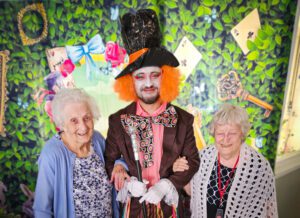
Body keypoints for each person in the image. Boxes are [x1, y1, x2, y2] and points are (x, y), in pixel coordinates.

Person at [104, 9, 200, 217]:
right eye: (140, 77)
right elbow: (109, 161)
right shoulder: (117, 121)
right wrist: (124, 178)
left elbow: (193, 161)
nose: (148, 83)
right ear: (130, 82)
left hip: (171, 209)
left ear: (165, 78)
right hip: (134, 210)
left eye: (154, 75)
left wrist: (167, 184)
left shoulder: (183, 119)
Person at [33, 88, 127, 218]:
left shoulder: (97, 139)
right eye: (74, 120)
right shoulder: (52, 154)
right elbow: (42, 209)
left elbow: (116, 159)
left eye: (86, 118)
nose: (83, 127)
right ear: (62, 123)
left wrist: (119, 165)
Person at [173, 103, 278, 218]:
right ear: (214, 134)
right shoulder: (202, 157)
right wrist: (180, 171)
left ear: (242, 134)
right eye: (220, 133)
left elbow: (267, 210)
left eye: (232, 133)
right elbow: (193, 192)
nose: (226, 139)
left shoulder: (259, 167)